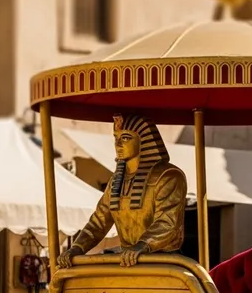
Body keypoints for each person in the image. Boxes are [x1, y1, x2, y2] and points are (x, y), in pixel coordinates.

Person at [57, 113, 186, 268]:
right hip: (128, 258)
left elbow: (167, 222)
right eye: (115, 137)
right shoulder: (116, 180)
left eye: (125, 138)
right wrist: (77, 248)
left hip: (162, 262)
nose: (118, 144)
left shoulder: (168, 176)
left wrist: (141, 246)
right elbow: (99, 222)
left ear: (143, 140)